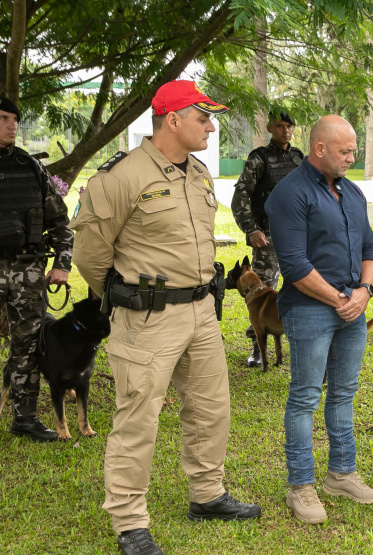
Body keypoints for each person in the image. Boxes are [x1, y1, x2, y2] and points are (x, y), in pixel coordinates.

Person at [71, 80, 261, 555]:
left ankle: (207, 495)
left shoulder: (195, 173)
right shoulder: (119, 178)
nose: (212, 127)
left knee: (211, 408)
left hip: (201, 311)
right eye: (204, 118)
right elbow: (91, 258)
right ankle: (130, 522)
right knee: (138, 417)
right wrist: (130, 298)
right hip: (147, 318)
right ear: (172, 120)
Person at [265, 115, 373, 525]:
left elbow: (371, 249)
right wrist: (339, 300)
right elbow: (294, 264)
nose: (352, 157)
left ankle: (341, 473)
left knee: (344, 393)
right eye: (345, 151)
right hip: (310, 308)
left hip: (351, 307)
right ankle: (301, 485)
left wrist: (363, 294)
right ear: (319, 149)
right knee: (305, 397)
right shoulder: (289, 194)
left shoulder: (350, 192)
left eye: (353, 150)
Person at [0, 95, 72, 442]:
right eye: (4, 118)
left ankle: (24, 418)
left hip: (27, 272)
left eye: (15, 118)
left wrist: (62, 264)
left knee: (27, 346)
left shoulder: (30, 167)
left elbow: (60, 221)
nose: (12, 125)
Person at [231, 110, 304, 367]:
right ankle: (257, 347)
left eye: (290, 126)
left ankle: (302, 344)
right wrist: (251, 230)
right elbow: (240, 196)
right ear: (271, 128)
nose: (286, 131)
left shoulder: (298, 159)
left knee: (301, 288)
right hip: (268, 237)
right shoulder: (259, 159)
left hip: (297, 237)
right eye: (280, 126)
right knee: (259, 293)